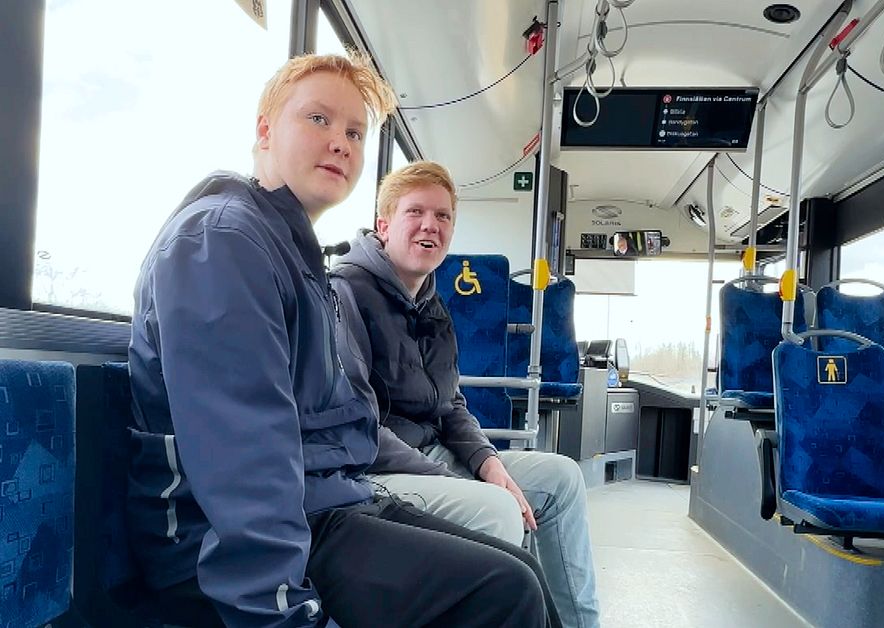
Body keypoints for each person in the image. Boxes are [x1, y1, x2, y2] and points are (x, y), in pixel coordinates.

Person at [126, 52, 556, 628]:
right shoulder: (224, 243)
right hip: (214, 546)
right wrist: (281, 612)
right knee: (504, 593)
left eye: (355, 130)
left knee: (519, 574)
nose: (342, 143)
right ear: (263, 131)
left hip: (325, 501)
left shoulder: (292, 255)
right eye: (318, 120)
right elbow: (244, 461)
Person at [331, 161, 602, 628]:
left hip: (432, 455)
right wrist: (453, 478)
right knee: (496, 508)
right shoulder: (345, 293)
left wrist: (488, 463)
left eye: (443, 216)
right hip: (374, 468)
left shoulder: (432, 303)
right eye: (415, 212)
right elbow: (356, 422)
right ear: (383, 225)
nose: (429, 226)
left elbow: (451, 402)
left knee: (561, 478)